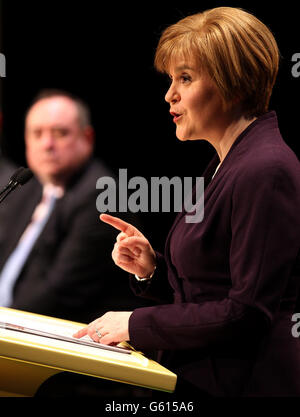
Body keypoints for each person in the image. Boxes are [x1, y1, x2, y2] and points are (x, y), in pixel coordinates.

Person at [74, 7, 300, 397]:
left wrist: (134, 325)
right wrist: (151, 269)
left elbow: (248, 312)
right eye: (171, 79)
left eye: (186, 78)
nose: (169, 94)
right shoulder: (227, 160)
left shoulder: (267, 169)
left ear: (236, 83)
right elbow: (208, 295)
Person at [0, 89, 145, 324]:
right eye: (37, 134)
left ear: (87, 138)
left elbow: (58, 292)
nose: (47, 144)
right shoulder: (29, 186)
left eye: (60, 133)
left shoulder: (101, 196)